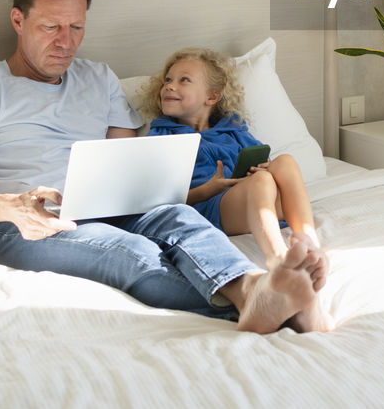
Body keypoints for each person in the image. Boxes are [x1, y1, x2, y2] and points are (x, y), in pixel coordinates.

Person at [0, 0, 328, 333]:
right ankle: (277, 309)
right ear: (18, 19)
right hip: (26, 226)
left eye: (76, 27)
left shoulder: (99, 78)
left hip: (107, 209)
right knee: (128, 251)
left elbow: (131, 165)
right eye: (51, 27)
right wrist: (10, 207)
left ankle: (258, 291)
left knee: (178, 218)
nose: (66, 42)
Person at [137, 48, 328, 286]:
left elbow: (262, 160)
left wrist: (264, 168)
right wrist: (209, 189)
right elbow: (157, 201)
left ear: (212, 97)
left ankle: (308, 243)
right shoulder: (162, 136)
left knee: (285, 161)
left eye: (183, 80)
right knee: (262, 182)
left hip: (256, 199)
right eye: (168, 80)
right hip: (212, 208)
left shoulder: (233, 128)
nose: (169, 86)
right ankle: (277, 259)